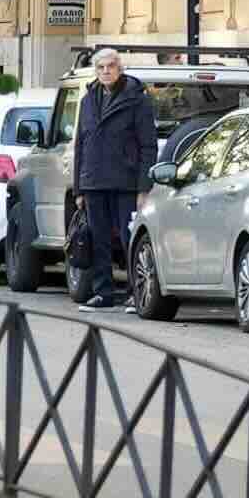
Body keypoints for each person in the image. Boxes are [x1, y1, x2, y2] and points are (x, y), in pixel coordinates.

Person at [63, 47, 156, 306]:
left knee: (129, 240)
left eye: (110, 67)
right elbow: (81, 143)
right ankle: (103, 292)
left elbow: (148, 145)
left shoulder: (137, 99)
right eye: (101, 68)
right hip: (93, 182)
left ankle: (133, 293)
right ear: (96, 71)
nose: (106, 71)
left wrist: (143, 187)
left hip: (125, 182)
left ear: (119, 69)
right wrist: (79, 188)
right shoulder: (88, 99)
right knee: (98, 239)